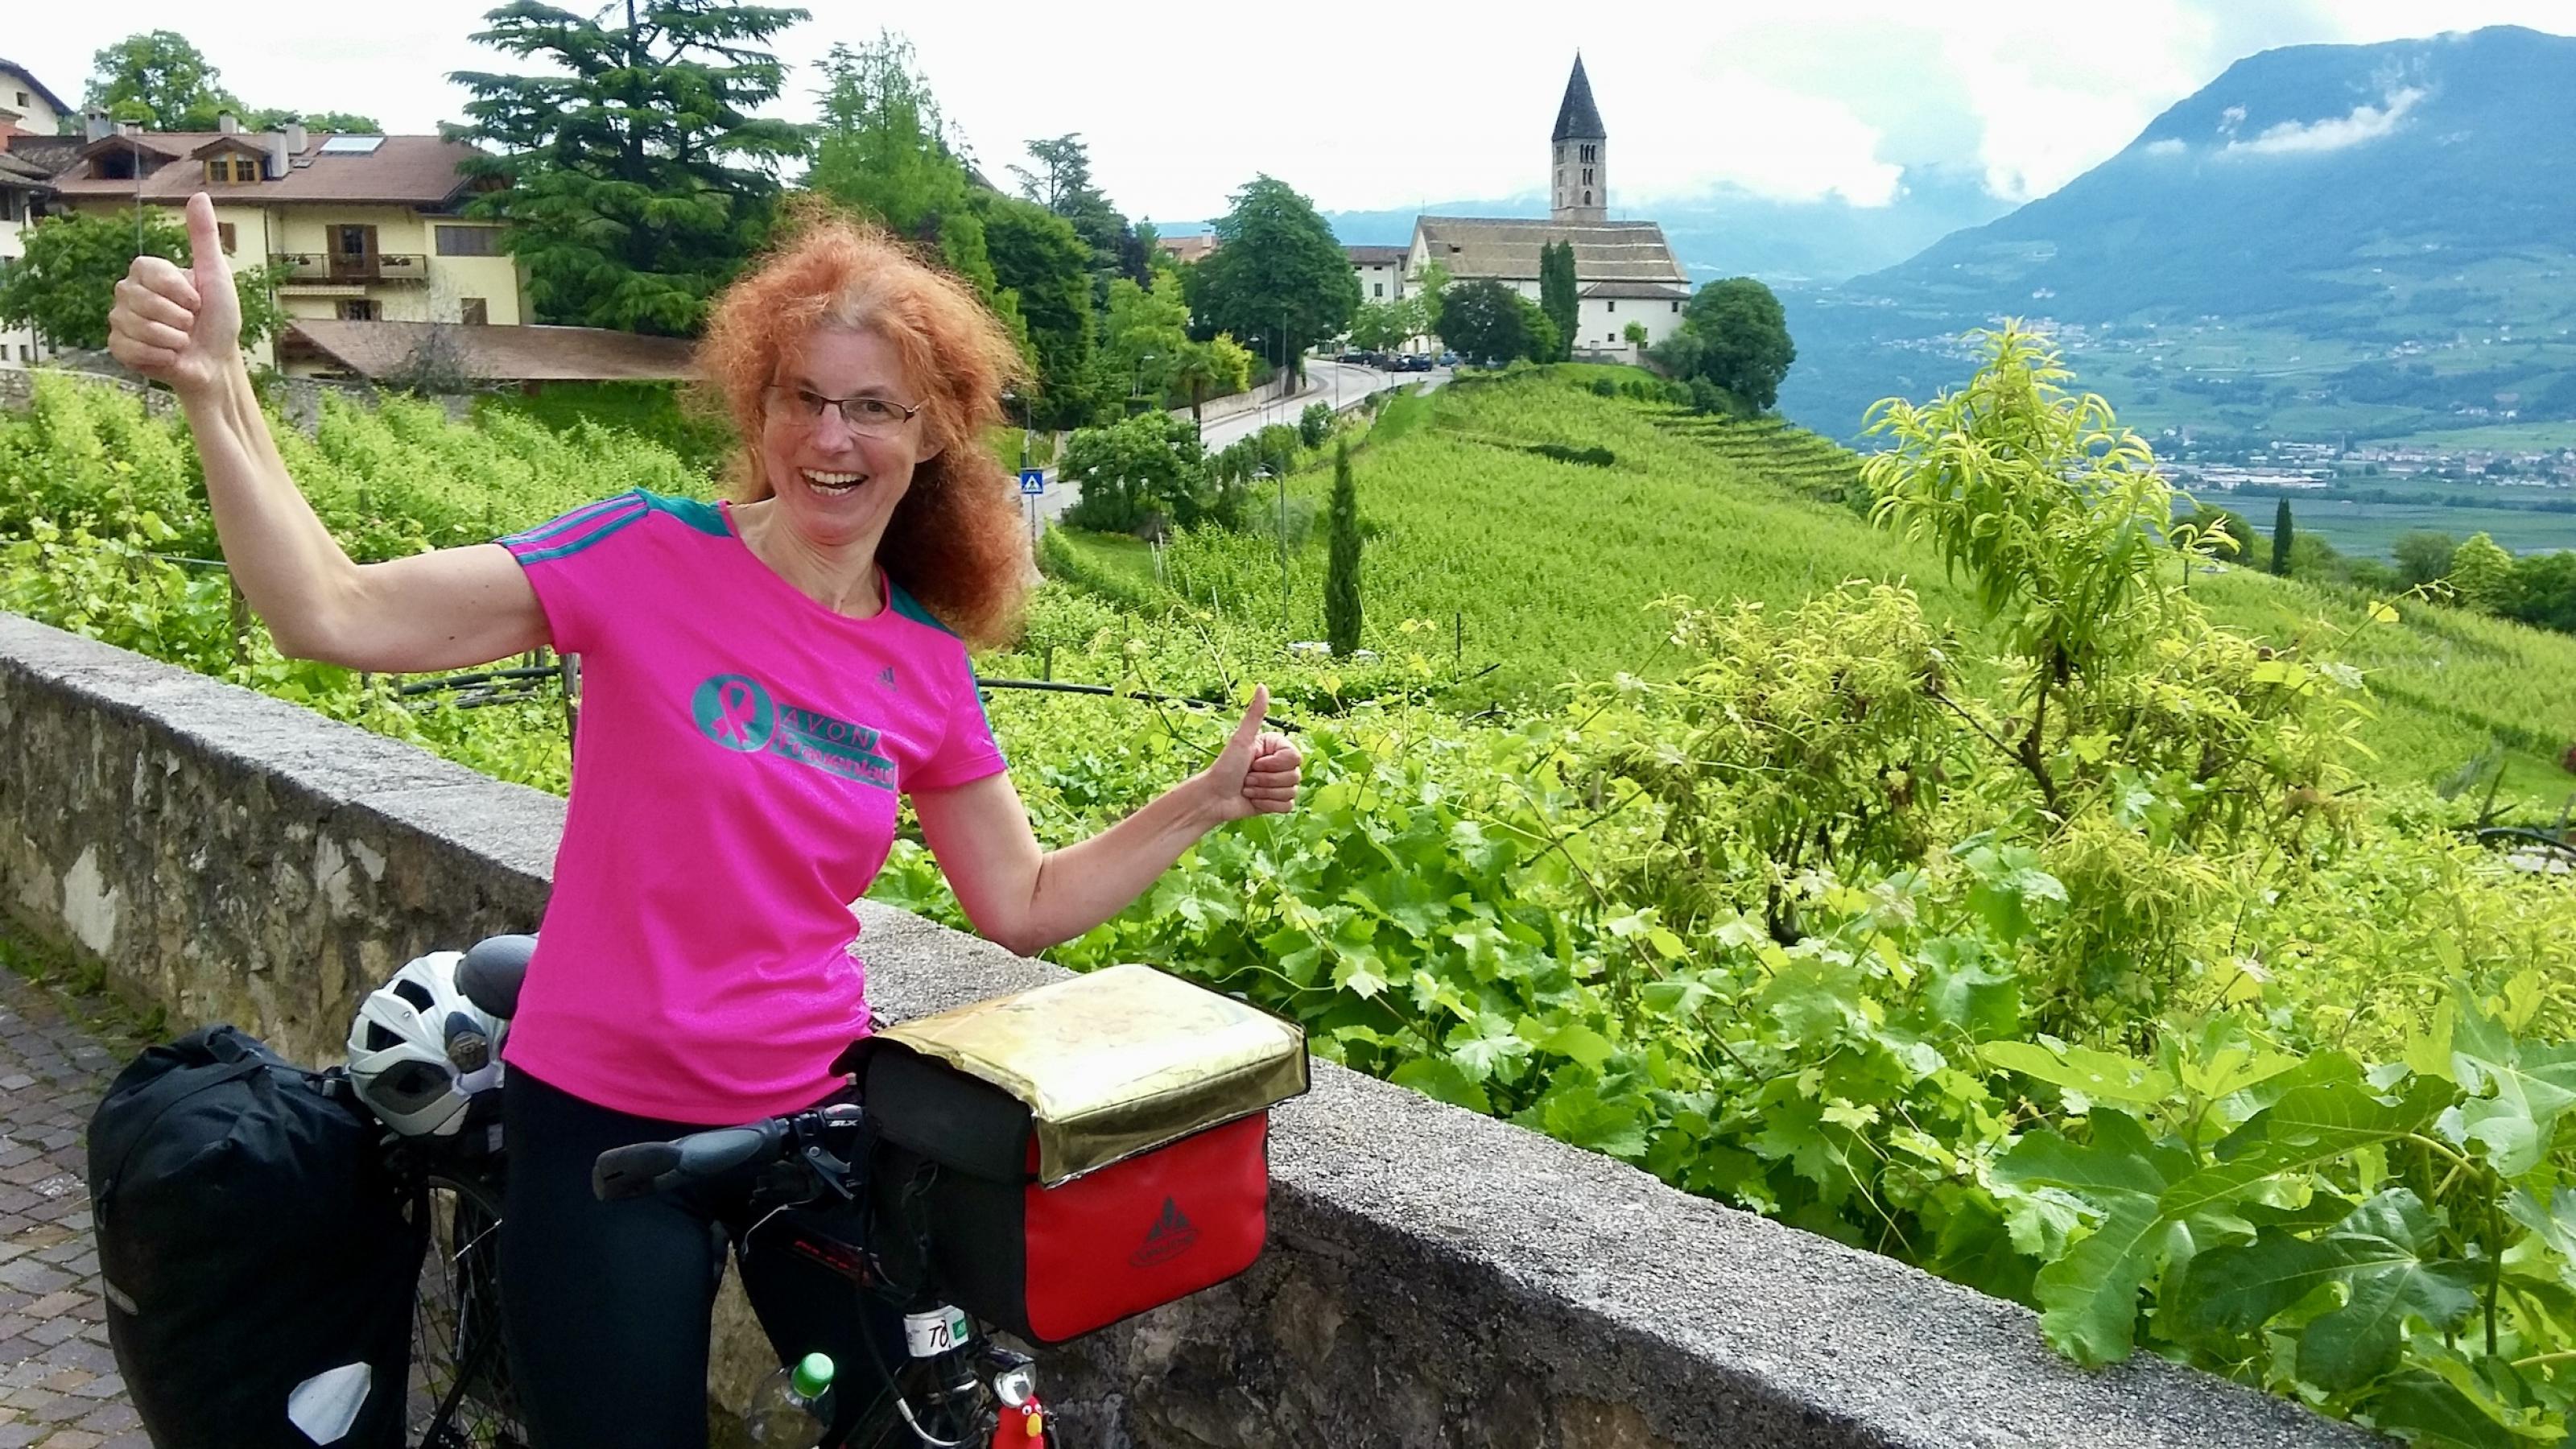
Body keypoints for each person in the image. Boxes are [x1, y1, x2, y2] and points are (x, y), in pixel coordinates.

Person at [106, 193, 1303, 1447]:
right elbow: (335, 616)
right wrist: (216, 386)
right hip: (600, 1121)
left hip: (816, 1125)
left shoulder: (922, 664)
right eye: (803, 398)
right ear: (760, 404)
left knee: (923, 1430)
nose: (830, 438)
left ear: (933, 429)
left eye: (872, 408)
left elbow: (1025, 902)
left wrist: (1203, 802)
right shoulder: (643, 554)